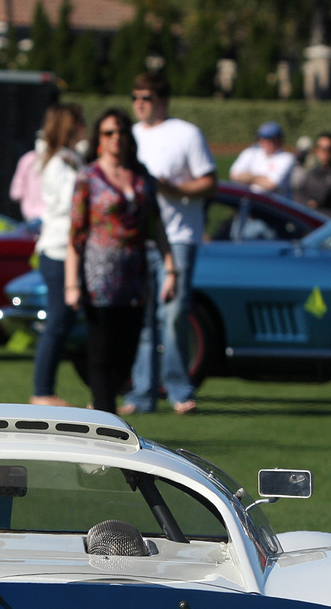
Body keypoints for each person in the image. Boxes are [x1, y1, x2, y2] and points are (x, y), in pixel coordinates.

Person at [66, 108, 177, 415]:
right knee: (101, 354)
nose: (116, 138)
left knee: (127, 354)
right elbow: (75, 234)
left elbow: (156, 227)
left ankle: (103, 407)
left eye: (121, 132)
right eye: (108, 133)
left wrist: (171, 268)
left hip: (135, 278)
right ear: (99, 139)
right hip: (98, 279)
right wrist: (71, 283)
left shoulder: (142, 179)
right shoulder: (87, 177)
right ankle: (105, 418)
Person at [122, 71, 215, 417]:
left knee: (174, 314)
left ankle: (178, 389)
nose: (139, 104)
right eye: (135, 97)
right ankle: (142, 393)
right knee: (142, 320)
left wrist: (175, 190)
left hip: (178, 237)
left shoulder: (187, 134)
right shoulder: (128, 136)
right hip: (140, 238)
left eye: (145, 97)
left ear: (162, 100)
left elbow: (210, 183)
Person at [28, 102, 85, 407]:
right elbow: (68, 202)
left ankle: (45, 389)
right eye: (81, 122)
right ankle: (42, 391)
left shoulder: (65, 158)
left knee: (64, 320)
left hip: (64, 248)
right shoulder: (60, 162)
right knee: (58, 321)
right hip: (59, 249)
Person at [228, 121, 296, 198]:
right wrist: (261, 179)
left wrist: (248, 178)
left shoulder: (286, 158)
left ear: (278, 140)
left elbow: (271, 184)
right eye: (262, 138)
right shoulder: (250, 152)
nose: (265, 142)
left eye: (269, 139)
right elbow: (234, 176)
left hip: (273, 204)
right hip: (247, 200)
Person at [297, 132, 331, 214]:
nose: (323, 152)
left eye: (328, 149)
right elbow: (298, 194)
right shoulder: (314, 171)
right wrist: (308, 202)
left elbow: (323, 196)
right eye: (320, 148)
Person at [9, 133, 46, 221]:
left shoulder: (56, 160)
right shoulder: (27, 159)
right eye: (39, 139)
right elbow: (16, 192)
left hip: (48, 215)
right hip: (31, 215)